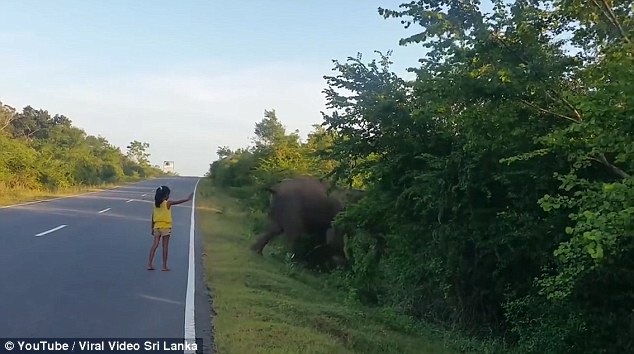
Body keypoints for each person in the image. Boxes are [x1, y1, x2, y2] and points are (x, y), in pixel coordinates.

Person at [148, 185, 193, 271]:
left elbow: (153, 216)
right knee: (165, 246)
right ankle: (164, 266)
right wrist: (187, 199)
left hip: (156, 226)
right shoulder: (167, 203)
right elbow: (178, 202)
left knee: (155, 245)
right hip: (165, 227)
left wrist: (152, 228)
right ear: (165, 195)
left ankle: (149, 264)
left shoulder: (155, 204)